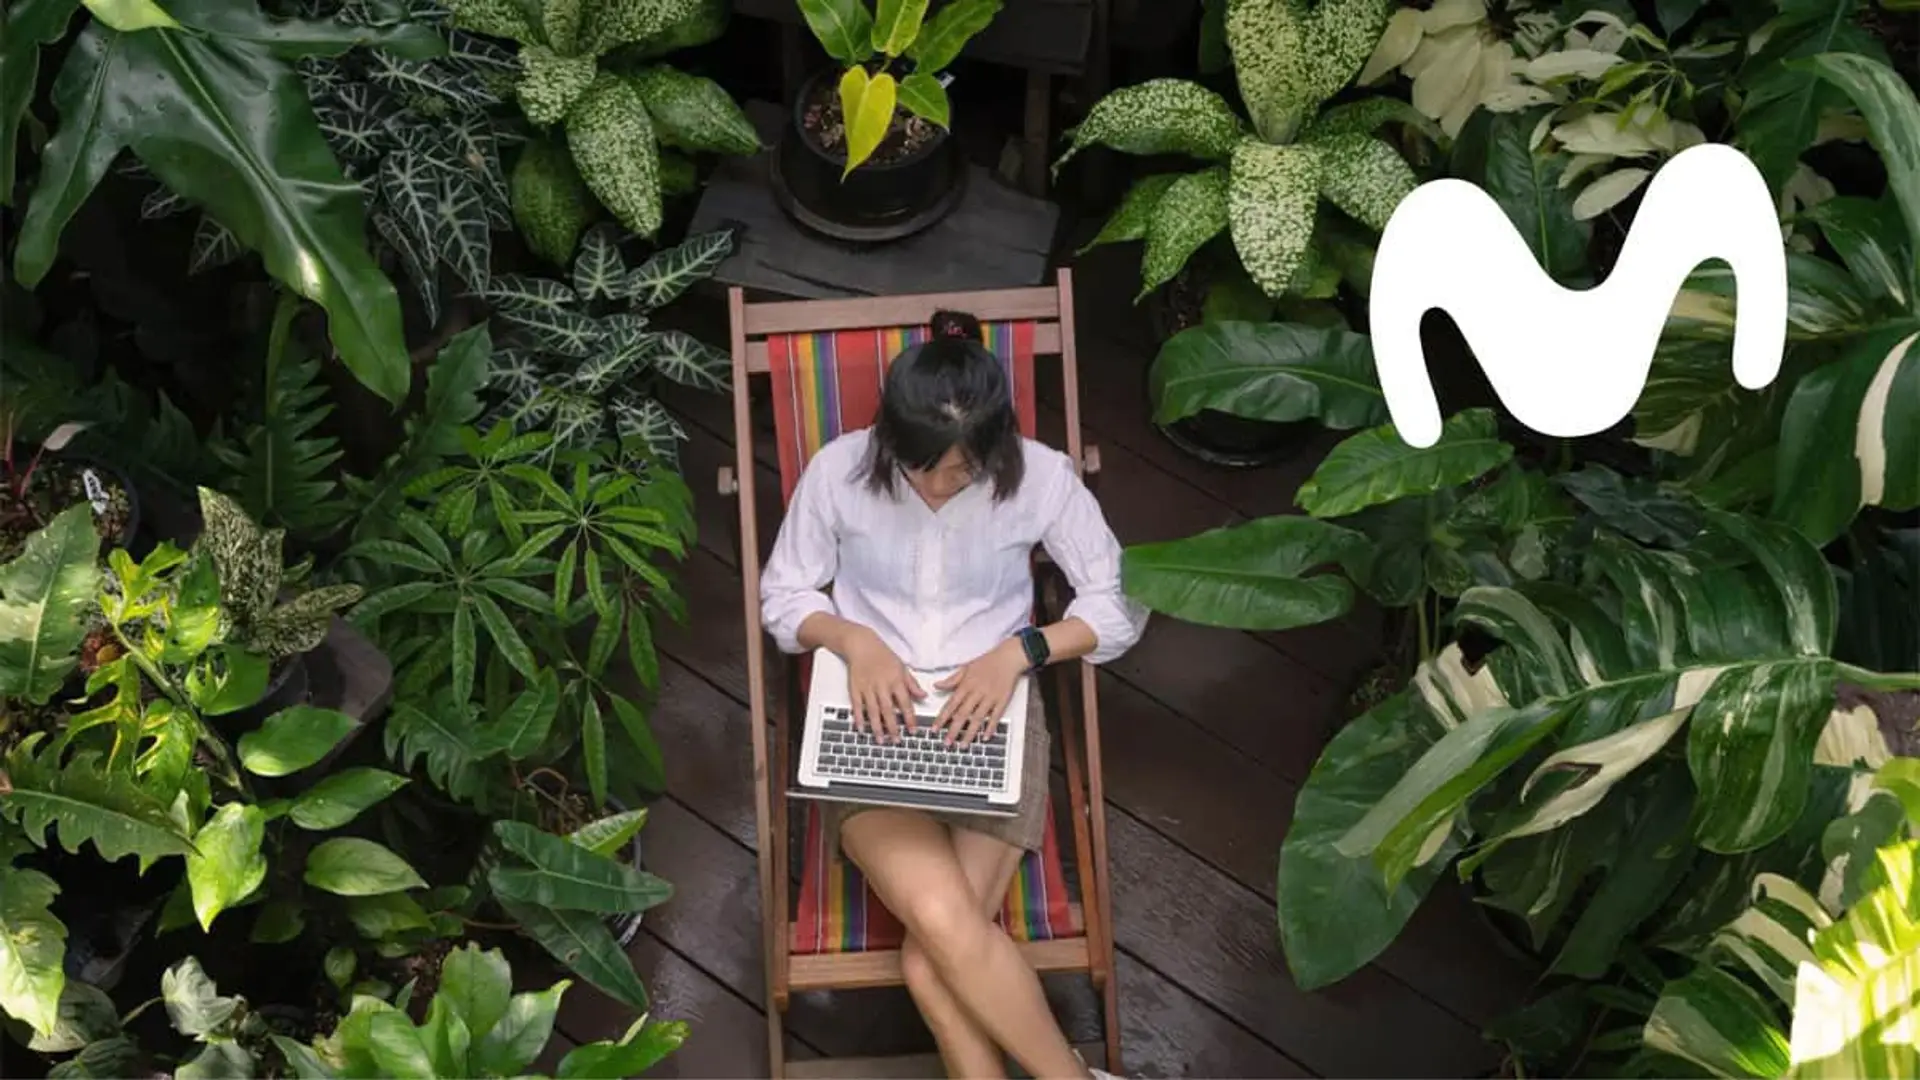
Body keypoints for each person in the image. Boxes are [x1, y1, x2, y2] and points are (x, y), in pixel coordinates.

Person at [760, 310, 1149, 1080]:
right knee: (941, 922)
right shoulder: (841, 471)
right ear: (888, 442)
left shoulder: (1039, 477)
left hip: (992, 715)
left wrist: (1022, 649)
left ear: (995, 448)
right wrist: (851, 639)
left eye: (960, 471)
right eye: (920, 469)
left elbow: (1124, 600)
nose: (939, 485)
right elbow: (783, 595)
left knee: (931, 959)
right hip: (872, 720)